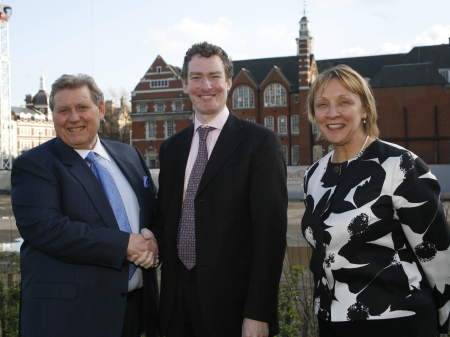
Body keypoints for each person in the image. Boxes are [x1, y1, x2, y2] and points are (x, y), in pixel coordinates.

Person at [301, 64, 450, 337]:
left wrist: (444, 322)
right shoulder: (314, 174)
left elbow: (437, 254)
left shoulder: (400, 164)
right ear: (313, 113)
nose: (332, 113)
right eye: (322, 104)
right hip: (332, 321)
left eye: (344, 102)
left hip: (397, 321)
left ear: (365, 109)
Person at [11, 74, 160, 337]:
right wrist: (125, 244)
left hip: (134, 314)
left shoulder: (129, 155)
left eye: (82, 108)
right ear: (52, 114)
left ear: (100, 109)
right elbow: (47, 229)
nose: (73, 118)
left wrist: (152, 238)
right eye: (63, 110)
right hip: (70, 319)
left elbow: (150, 211)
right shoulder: (35, 165)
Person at [156, 41, 287, 337]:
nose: (206, 86)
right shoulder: (172, 149)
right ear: (185, 84)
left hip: (234, 309)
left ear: (228, 82)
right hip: (176, 307)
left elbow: (271, 235)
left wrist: (258, 313)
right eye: (197, 77)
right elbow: (166, 218)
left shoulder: (259, 143)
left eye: (215, 76)